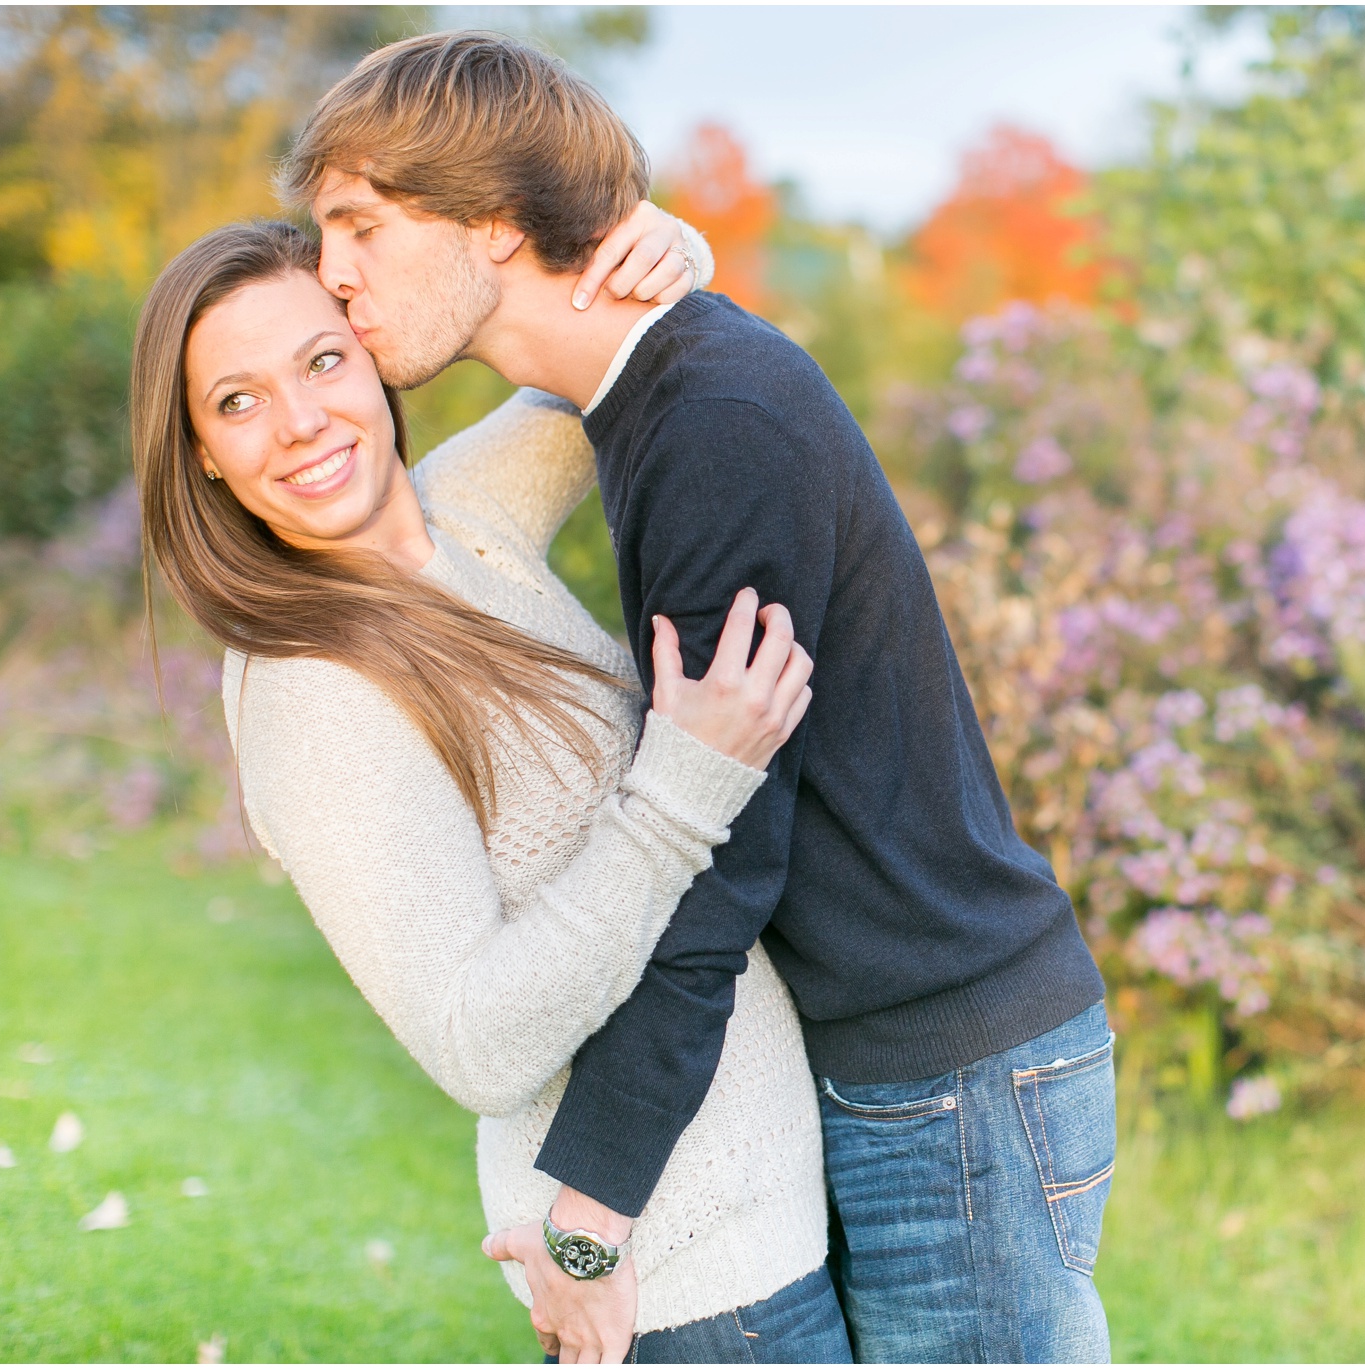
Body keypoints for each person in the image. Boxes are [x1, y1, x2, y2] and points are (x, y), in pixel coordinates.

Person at [282, 31, 1116, 1363]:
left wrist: (595, 1202)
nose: (330, 275)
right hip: (911, 1056)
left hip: (953, 1067)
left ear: (494, 220)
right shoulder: (655, 388)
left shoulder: (712, 423)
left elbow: (720, 846)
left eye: (361, 226)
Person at [129, 217, 855, 1363]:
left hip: (768, 1212)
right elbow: (476, 1043)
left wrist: (669, 239)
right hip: (676, 1278)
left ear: (370, 350)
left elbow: (604, 347)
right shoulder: (314, 689)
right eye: (238, 400)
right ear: (203, 453)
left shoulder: (458, 515)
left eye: (321, 361)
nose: (303, 420)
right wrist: (683, 783)